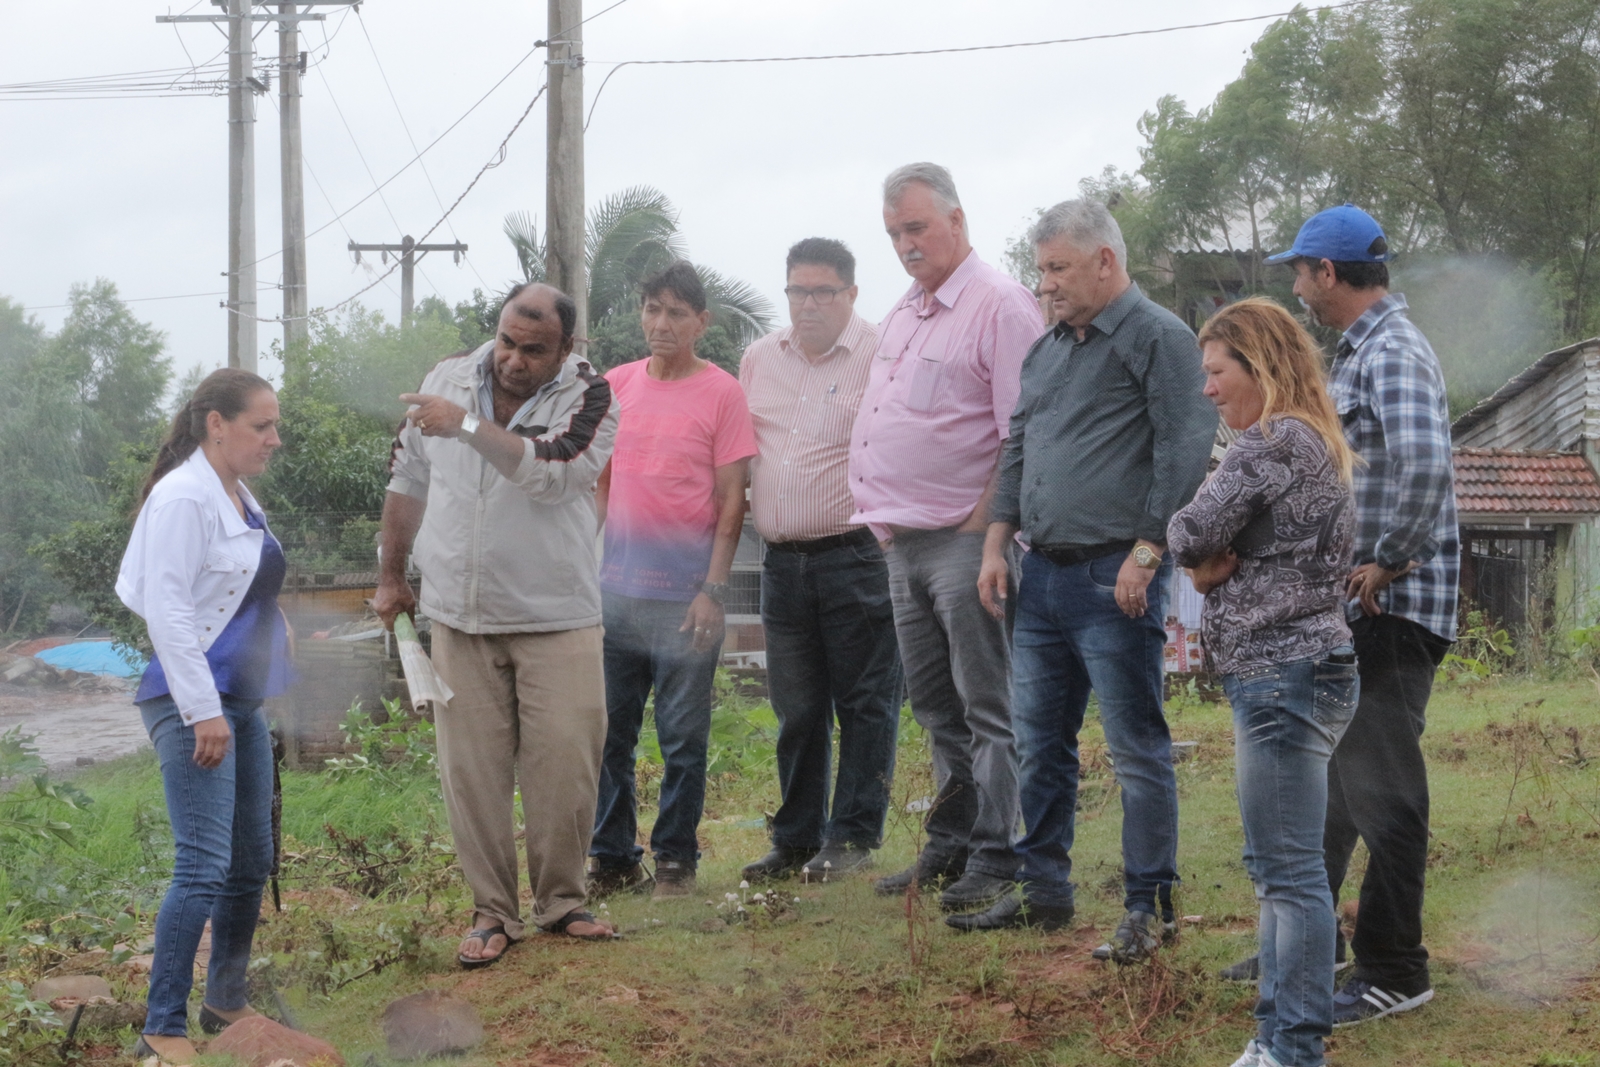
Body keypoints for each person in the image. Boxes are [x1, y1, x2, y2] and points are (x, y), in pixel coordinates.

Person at [954, 199, 1217, 961]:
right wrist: (996, 542)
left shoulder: (1159, 337)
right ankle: (1043, 890)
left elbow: (1184, 448)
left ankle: (1148, 907)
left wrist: (1148, 550)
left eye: (1058, 268)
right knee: (1041, 743)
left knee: (1135, 747)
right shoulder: (1047, 349)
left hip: (1115, 577)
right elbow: (1019, 447)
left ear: (1105, 261)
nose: (1046, 284)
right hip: (1040, 574)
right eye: (1041, 270)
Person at [1254, 204, 1459, 1026]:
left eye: (1301, 274)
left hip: (1392, 606)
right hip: (1363, 604)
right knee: (1339, 783)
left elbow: (1425, 464)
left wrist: (1391, 557)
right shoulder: (1365, 352)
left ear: (1329, 273)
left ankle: (1395, 968)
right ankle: (1311, 942)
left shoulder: (1393, 351)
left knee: (1386, 791)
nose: (1298, 289)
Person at [377, 282, 620, 966]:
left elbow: (554, 473)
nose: (513, 359)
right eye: (507, 341)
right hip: (459, 612)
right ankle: (493, 912)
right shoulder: (447, 378)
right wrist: (391, 575)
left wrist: (464, 426)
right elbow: (407, 478)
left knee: (565, 765)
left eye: (533, 350)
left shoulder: (591, 396)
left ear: (565, 349)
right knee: (472, 774)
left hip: (557, 612)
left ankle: (562, 901)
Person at [1168, 298, 1359, 1067]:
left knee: (1289, 873)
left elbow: (1186, 530)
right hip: (1309, 667)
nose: (1208, 388)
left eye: (1218, 371)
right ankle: (1274, 1037)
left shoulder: (1269, 440)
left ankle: (1294, 1048)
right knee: (1280, 869)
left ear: (1261, 365)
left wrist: (1202, 563)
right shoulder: (1318, 438)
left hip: (1281, 673)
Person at [851, 162, 1044, 911]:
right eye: (894, 232)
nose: (905, 244)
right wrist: (885, 526)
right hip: (903, 545)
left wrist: (983, 530)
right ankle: (952, 842)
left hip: (967, 542)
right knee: (935, 706)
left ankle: (998, 853)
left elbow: (1020, 434)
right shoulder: (904, 311)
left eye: (917, 227)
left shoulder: (1001, 305)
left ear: (957, 221)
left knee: (986, 705)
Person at [116, 369, 293, 1062]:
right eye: (262, 425)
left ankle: (224, 1000)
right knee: (203, 864)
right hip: (195, 703)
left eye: (275, 425)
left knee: (251, 861)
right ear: (217, 424)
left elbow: (241, 589)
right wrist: (201, 710)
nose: (274, 439)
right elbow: (167, 609)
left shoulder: (235, 493)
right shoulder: (184, 497)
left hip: (240, 701)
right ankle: (162, 1027)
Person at [589, 260, 758, 899]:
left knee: (682, 739)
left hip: (685, 601)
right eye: (653, 309)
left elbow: (732, 501)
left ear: (700, 322)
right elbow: (600, 487)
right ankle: (611, 859)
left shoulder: (722, 393)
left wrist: (713, 591)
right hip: (614, 596)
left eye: (677, 313)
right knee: (608, 737)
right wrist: (583, 570)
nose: (661, 324)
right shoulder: (616, 385)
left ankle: (675, 863)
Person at [737, 238, 902, 883]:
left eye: (822, 292)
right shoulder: (759, 358)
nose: (807, 304)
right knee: (798, 708)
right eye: (797, 291)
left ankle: (853, 836)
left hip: (855, 556)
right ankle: (796, 838)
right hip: (781, 563)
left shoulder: (883, 353)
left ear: (851, 293)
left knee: (865, 702)